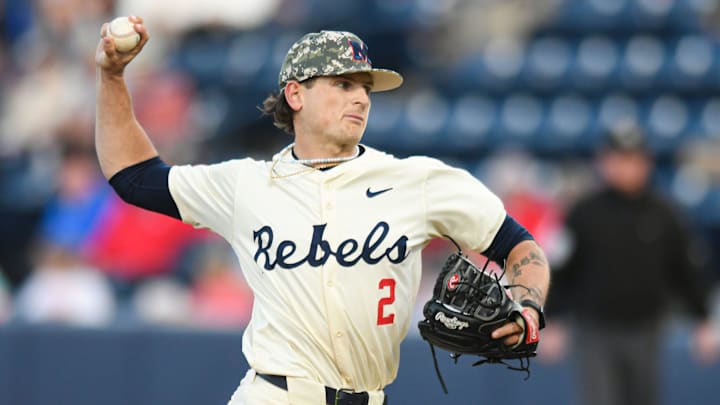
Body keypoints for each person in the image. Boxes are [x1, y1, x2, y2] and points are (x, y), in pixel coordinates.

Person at [95, 16, 551, 405]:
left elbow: (518, 246)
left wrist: (528, 309)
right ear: (296, 95)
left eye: (366, 87)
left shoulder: (419, 181)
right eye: (343, 84)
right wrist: (112, 79)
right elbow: (133, 176)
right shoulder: (245, 185)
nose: (361, 98)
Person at [545, 123, 718, 405]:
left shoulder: (665, 213)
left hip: (647, 327)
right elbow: (561, 268)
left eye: (632, 159)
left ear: (645, 162)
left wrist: (702, 319)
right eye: (618, 159)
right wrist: (551, 318)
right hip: (594, 329)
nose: (625, 167)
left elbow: (685, 269)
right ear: (603, 162)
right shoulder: (583, 213)